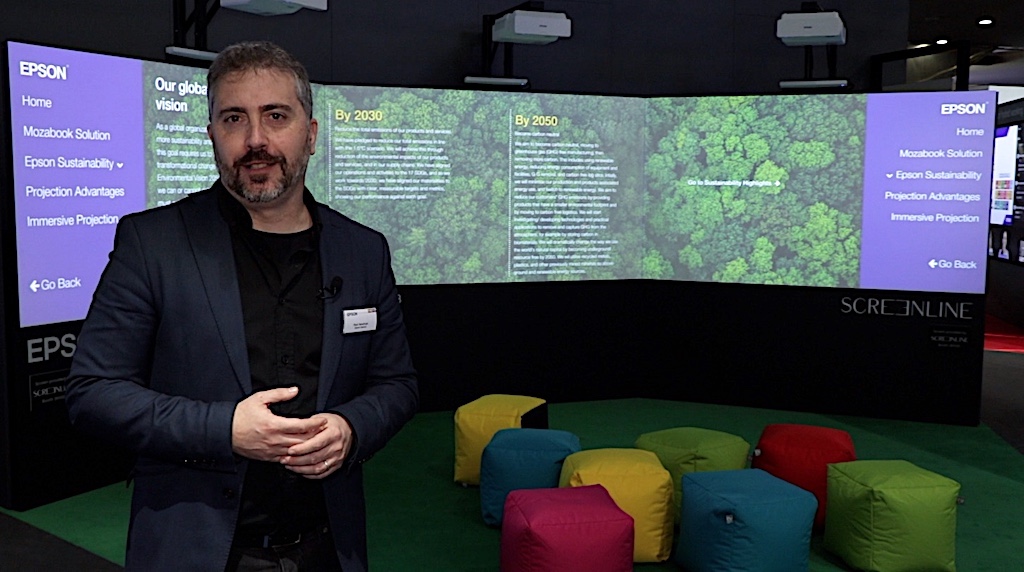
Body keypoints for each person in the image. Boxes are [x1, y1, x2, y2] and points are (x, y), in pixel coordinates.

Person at [65, 41, 418, 572]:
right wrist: (225, 429)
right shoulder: (153, 243)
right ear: (212, 134)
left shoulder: (363, 250)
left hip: (327, 546)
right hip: (195, 551)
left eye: (276, 116)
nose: (256, 140)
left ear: (311, 134)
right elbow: (93, 393)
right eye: (234, 118)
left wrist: (351, 428)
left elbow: (397, 384)